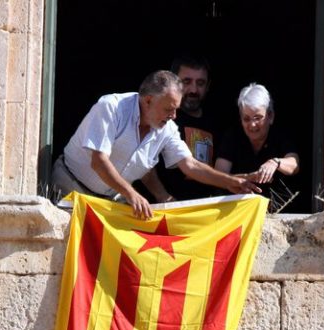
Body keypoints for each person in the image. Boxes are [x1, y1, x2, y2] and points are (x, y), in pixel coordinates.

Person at [51, 71, 264, 219]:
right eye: (169, 109)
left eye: (176, 109)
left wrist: (229, 182)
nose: (174, 116)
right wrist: (131, 193)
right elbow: (99, 161)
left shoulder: (167, 127)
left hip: (109, 201)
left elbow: (190, 165)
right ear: (148, 100)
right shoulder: (111, 107)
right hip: (70, 188)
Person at [137, 56, 221, 202]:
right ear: (173, 83)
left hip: (203, 209)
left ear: (208, 86)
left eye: (200, 83)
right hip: (160, 209)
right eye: (186, 82)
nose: (194, 90)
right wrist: (164, 197)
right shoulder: (158, 117)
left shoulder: (217, 122)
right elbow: (142, 161)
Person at [215, 83, 299, 208]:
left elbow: (294, 165)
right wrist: (242, 182)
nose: (252, 125)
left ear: (270, 116)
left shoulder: (280, 135)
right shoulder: (232, 136)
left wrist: (275, 163)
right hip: (239, 210)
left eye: (258, 118)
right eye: (246, 119)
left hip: (278, 212)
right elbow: (218, 176)